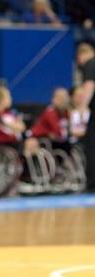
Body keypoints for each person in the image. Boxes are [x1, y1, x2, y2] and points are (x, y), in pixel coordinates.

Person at [76, 41, 95, 191]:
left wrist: (82, 106)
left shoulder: (90, 63)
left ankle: (92, 183)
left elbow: (89, 85)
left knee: (91, 146)